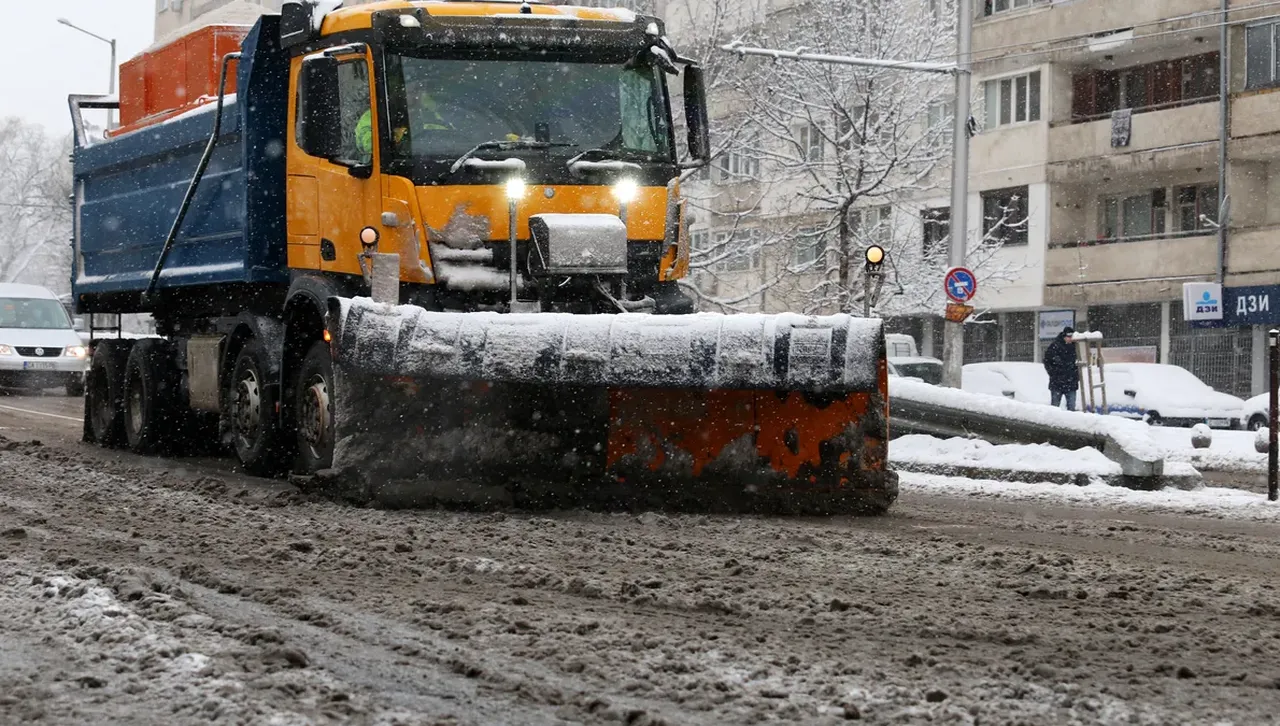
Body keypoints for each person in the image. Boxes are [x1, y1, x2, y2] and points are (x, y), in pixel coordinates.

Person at [1044, 326, 1079, 410]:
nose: (1070, 339)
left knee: (1071, 408)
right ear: (1064, 336)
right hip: (1057, 382)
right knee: (1055, 408)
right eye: (1068, 337)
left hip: (1071, 382)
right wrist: (1054, 373)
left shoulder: (1076, 347)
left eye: (1071, 337)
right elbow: (1047, 361)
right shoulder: (1055, 346)